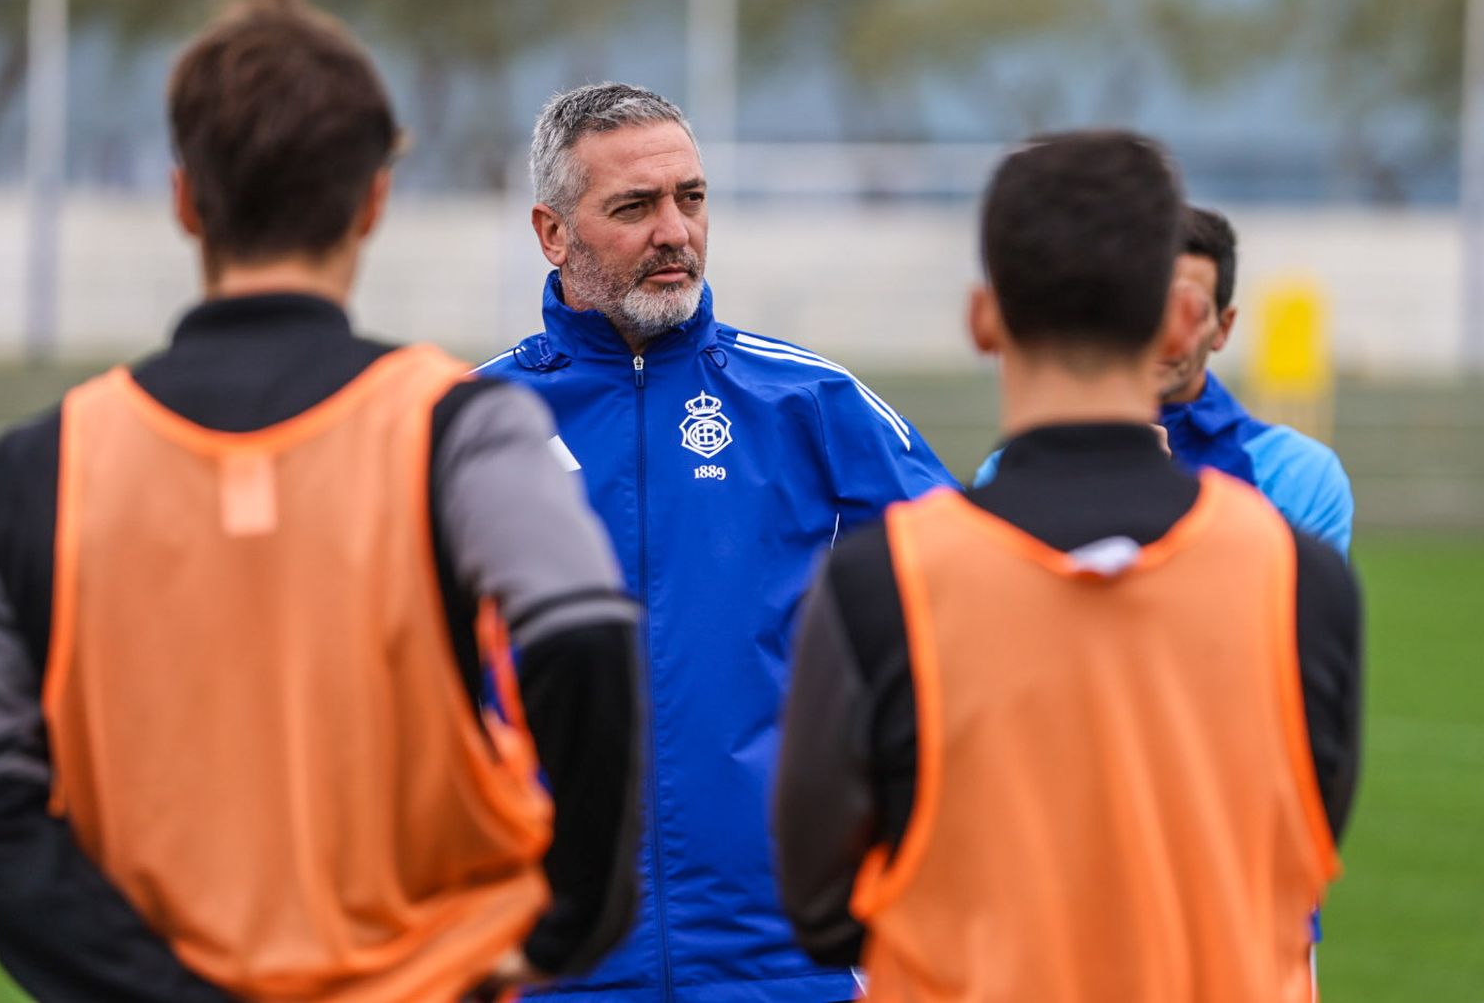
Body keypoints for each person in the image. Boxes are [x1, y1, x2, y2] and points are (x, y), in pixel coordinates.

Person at [0, 0, 641, 1003]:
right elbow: (583, 632)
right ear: (373, 200)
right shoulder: (460, 427)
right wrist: (578, 917)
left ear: (184, 199)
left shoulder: (34, 468)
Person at [775, 130, 1362, 1002]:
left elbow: (819, 904)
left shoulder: (881, 581)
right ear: (1179, 317)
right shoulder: (1301, 581)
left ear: (984, 319)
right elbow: (1297, 860)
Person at [476, 82, 955, 1002]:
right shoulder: (475, 425)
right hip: (544, 964)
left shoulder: (813, 404)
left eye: (690, 199)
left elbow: (982, 593)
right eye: (634, 207)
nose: (674, 231)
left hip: (788, 961)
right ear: (551, 232)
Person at [976, 205, 1354, 555]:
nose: (1161, 332)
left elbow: (1286, 624)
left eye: (1187, 311)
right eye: (1143, 305)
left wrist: (1156, 503)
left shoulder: (1298, 475)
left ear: (1222, 328)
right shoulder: (1012, 470)